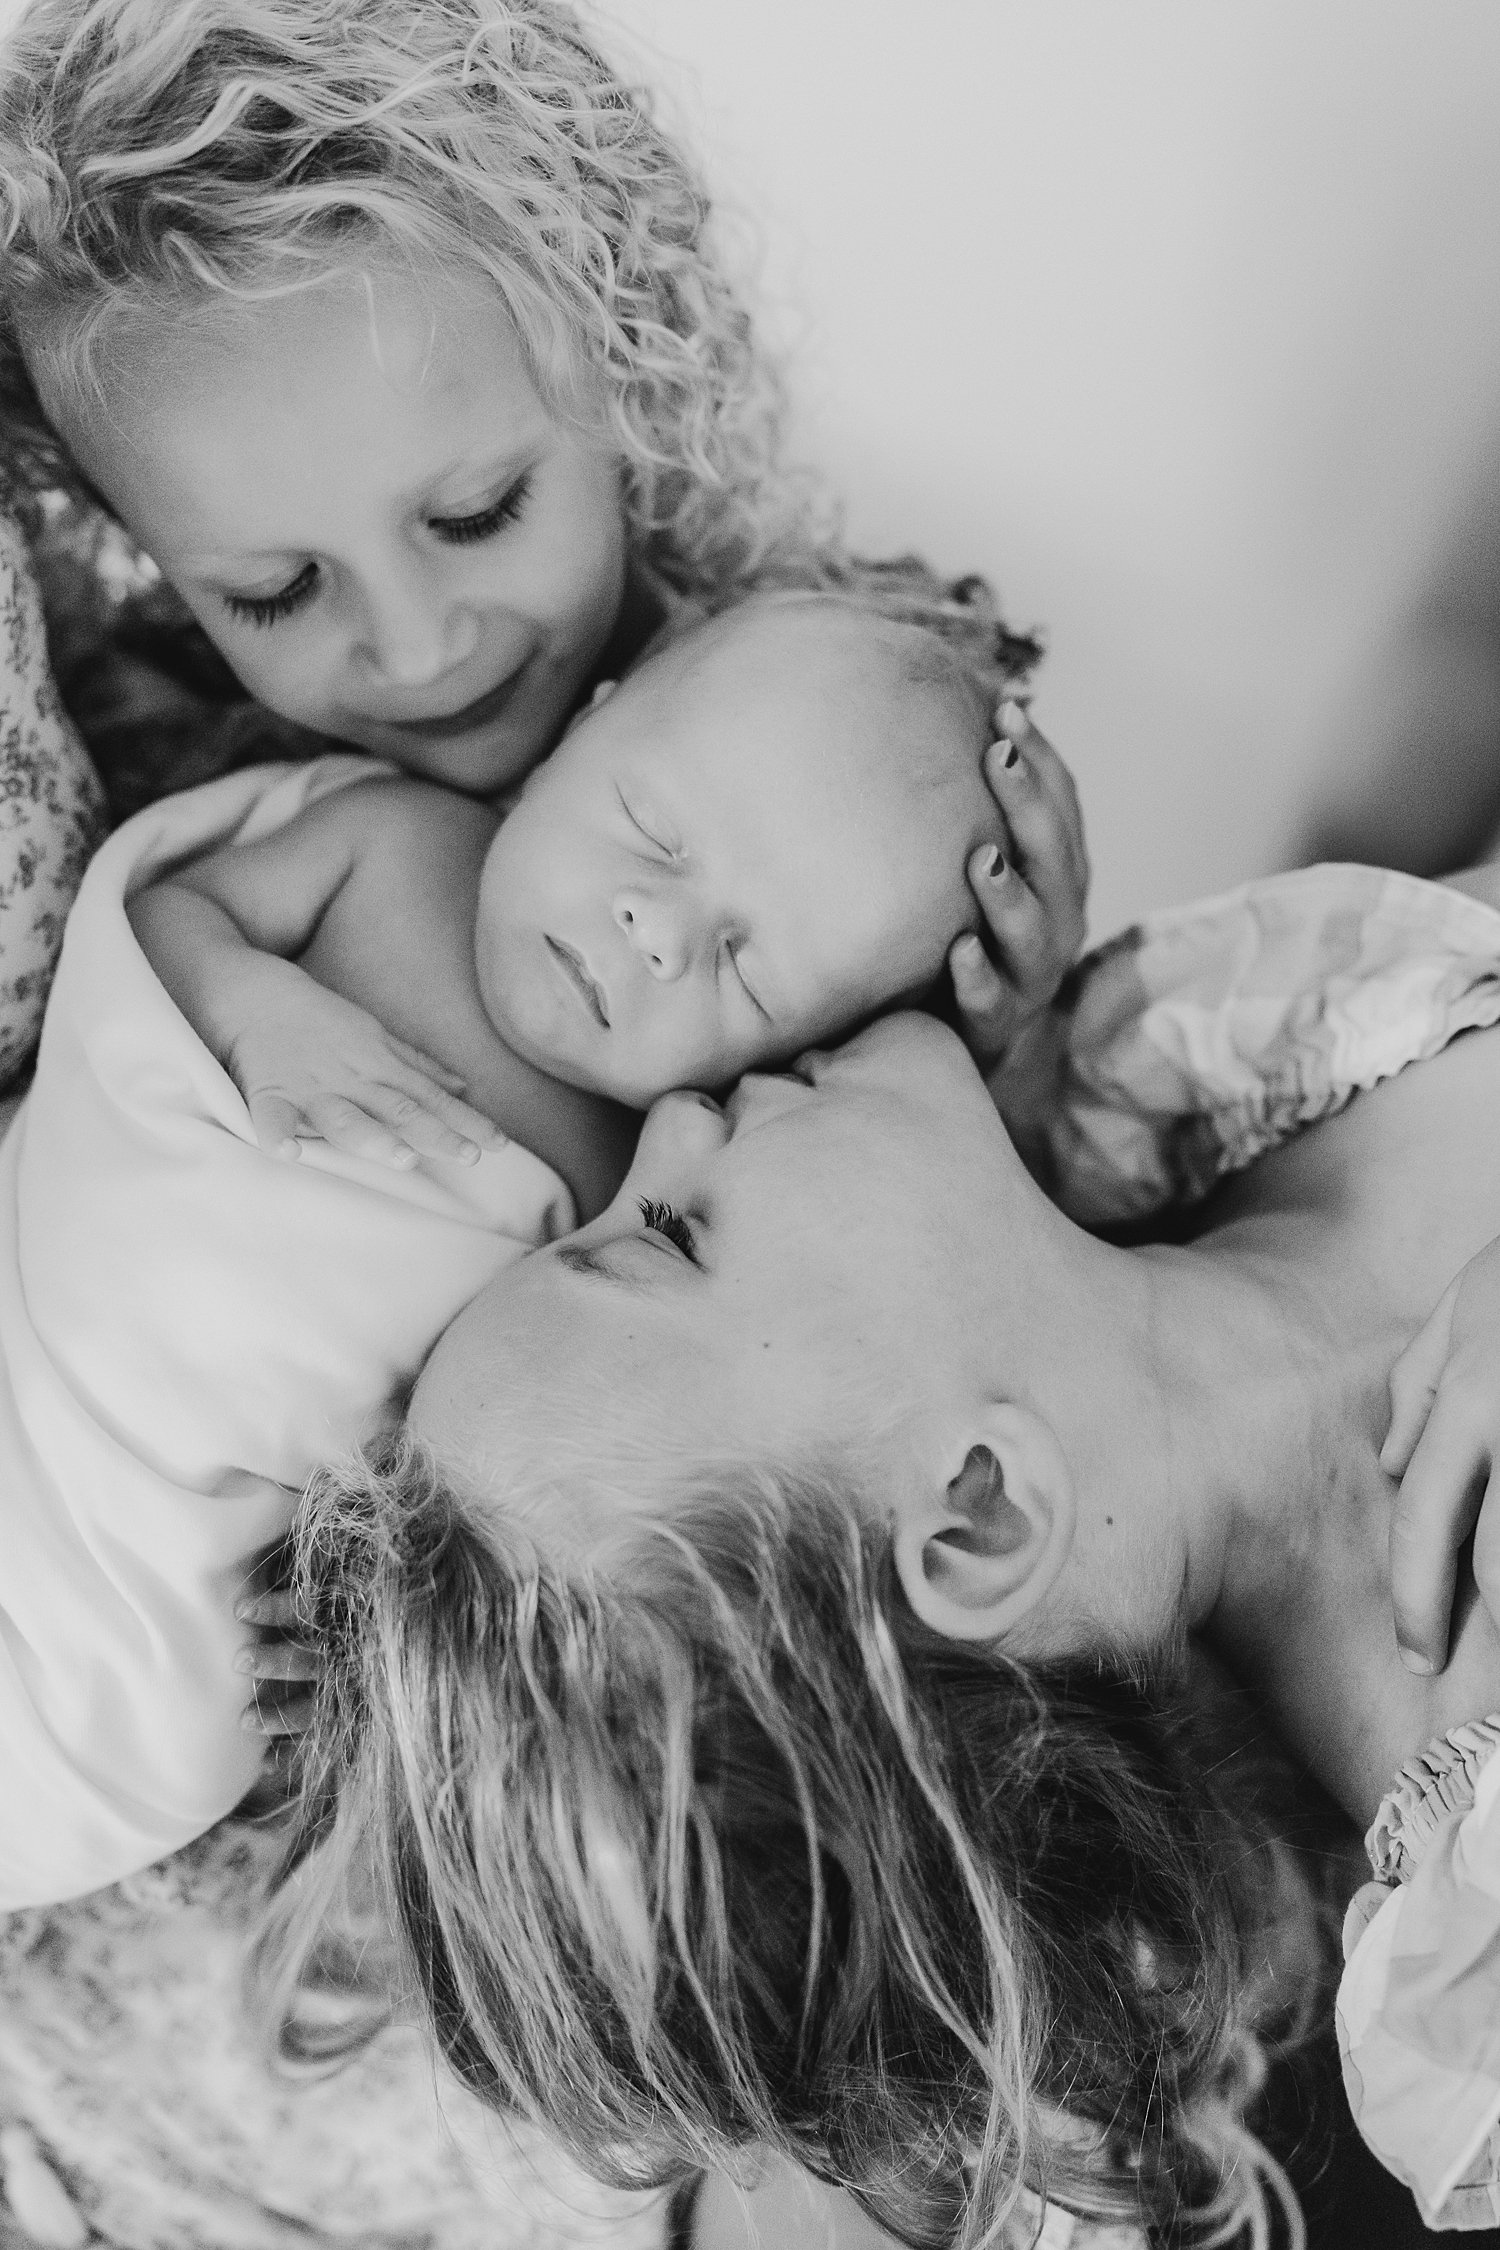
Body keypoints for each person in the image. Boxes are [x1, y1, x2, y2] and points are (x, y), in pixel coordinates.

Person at [269, 852, 1500, 2245]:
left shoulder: (1156, 1058)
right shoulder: (1475, 1932)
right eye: (673, 1231)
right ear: (977, 1509)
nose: (669, 1114)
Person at [0, 0, 1050, 1086]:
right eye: (275, 591)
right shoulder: (144, 761)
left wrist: (990, 1057)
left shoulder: (853, 742)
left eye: (477, 513)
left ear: (624, 355)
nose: (418, 654)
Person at [127, 596, 1082, 1218]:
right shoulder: (394, 840)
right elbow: (166, 917)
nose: (660, 933)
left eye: (747, 972)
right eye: (651, 831)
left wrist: (995, 1049)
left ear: (788, 1058)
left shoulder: (655, 1188)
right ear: (583, 727)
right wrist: (254, 1010)